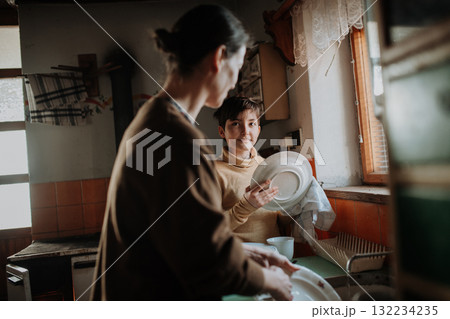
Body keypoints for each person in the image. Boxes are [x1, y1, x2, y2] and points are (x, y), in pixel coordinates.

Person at [91, 4, 299, 301]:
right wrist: (269, 280)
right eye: (237, 67)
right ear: (218, 58)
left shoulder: (152, 119)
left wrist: (246, 253)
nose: (234, 82)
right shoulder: (175, 136)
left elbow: (183, 235)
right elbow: (203, 262)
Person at [213, 97, 291, 243]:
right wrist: (246, 206)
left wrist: (294, 208)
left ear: (259, 129)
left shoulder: (268, 166)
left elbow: (276, 221)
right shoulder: (210, 172)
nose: (245, 131)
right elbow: (209, 231)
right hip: (237, 259)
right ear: (222, 131)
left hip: (273, 256)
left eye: (251, 124)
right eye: (236, 123)